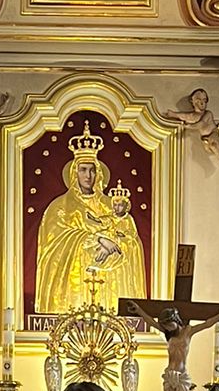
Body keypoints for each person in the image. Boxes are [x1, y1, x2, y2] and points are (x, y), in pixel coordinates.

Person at [34, 130, 146, 316]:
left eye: (92, 170)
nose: (88, 175)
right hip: (74, 284)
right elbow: (53, 245)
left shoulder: (112, 205)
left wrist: (115, 246)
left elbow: (131, 238)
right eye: (83, 170)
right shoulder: (60, 206)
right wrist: (99, 240)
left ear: (99, 173)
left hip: (109, 284)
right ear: (74, 173)